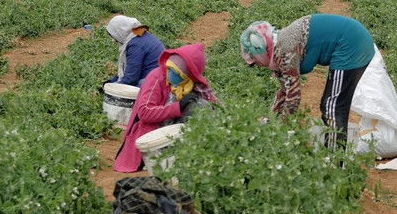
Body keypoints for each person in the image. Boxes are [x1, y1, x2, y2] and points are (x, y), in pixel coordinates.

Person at [240, 14, 375, 149]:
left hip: (351, 43)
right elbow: (284, 91)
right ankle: (333, 155)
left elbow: (293, 97)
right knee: (328, 106)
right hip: (352, 39)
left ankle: (335, 161)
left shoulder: (284, 50)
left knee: (332, 108)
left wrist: (280, 131)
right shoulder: (278, 46)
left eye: (255, 61)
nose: (258, 65)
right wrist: (267, 120)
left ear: (260, 52)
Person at [114, 43, 217, 173]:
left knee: (202, 106)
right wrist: (177, 107)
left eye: (176, 72)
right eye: (170, 69)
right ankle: (171, 156)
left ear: (188, 74)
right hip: (151, 131)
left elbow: (214, 105)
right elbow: (144, 113)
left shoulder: (193, 84)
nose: (170, 74)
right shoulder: (157, 77)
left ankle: (191, 152)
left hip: (173, 126)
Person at [104, 15, 166, 87]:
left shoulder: (136, 45)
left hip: (155, 83)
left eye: (115, 36)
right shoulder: (140, 37)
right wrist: (111, 81)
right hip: (158, 78)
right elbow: (130, 71)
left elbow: (131, 79)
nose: (115, 40)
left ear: (121, 31)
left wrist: (113, 87)